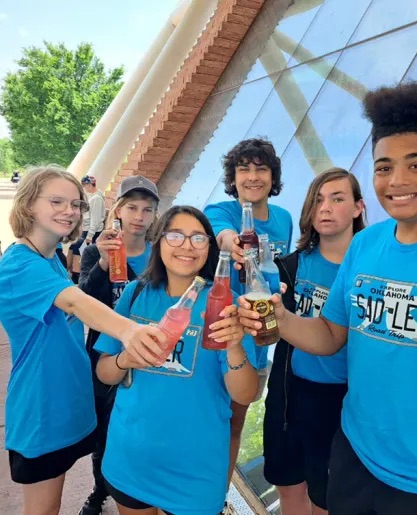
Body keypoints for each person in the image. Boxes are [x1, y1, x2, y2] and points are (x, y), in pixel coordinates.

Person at [239, 82, 417, 515]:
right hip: (353, 454)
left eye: (416, 164)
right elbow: (331, 333)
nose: (398, 181)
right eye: (384, 167)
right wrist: (282, 318)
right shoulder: (366, 247)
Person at [0, 165, 168, 515]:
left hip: (64, 404)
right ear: (29, 204)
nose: (70, 211)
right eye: (57, 201)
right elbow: (76, 301)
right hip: (41, 407)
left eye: (76, 204)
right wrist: (130, 331)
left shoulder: (50, 258)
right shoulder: (19, 264)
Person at [93, 205, 259, 515]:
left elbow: (246, 394)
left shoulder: (226, 306)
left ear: (210, 247)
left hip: (194, 469)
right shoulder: (135, 293)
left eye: (198, 238)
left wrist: (235, 345)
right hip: (131, 458)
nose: (186, 245)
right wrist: (125, 359)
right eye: (175, 235)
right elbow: (104, 372)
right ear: (158, 242)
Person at [264, 168, 365, 515]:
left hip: (342, 403)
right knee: (289, 487)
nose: (325, 208)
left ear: (358, 208)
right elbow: (269, 331)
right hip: (291, 395)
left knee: (326, 500)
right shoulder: (288, 269)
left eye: (338, 199)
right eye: (318, 199)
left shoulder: (372, 272)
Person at [203, 138, 293, 493]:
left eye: (261, 168)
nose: (252, 177)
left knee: (236, 423)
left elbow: (280, 272)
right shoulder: (222, 211)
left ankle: (218, 495)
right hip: (222, 334)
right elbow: (223, 234)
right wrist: (235, 243)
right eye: (244, 169)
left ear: (273, 176)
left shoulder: (284, 219)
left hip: (261, 339)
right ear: (233, 176)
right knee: (209, 417)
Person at [78, 175, 159, 515]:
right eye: (132, 207)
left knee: (141, 429)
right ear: (118, 210)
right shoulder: (98, 249)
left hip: (151, 359)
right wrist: (99, 262)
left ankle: (144, 490)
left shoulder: (164, 253)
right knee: (103, 432)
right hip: (106, 356)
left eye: (147, 209)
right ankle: (100, 491)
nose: (139, 216)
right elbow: (82, 300)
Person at [81, 175, 106, 244]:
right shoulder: (92, 196)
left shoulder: (96, 199)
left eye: (84, 186)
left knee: (78, 252)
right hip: (88, 229)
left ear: (89, 185)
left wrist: (89, 236)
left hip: (91, 231)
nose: (84, 188)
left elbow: (95, 219)